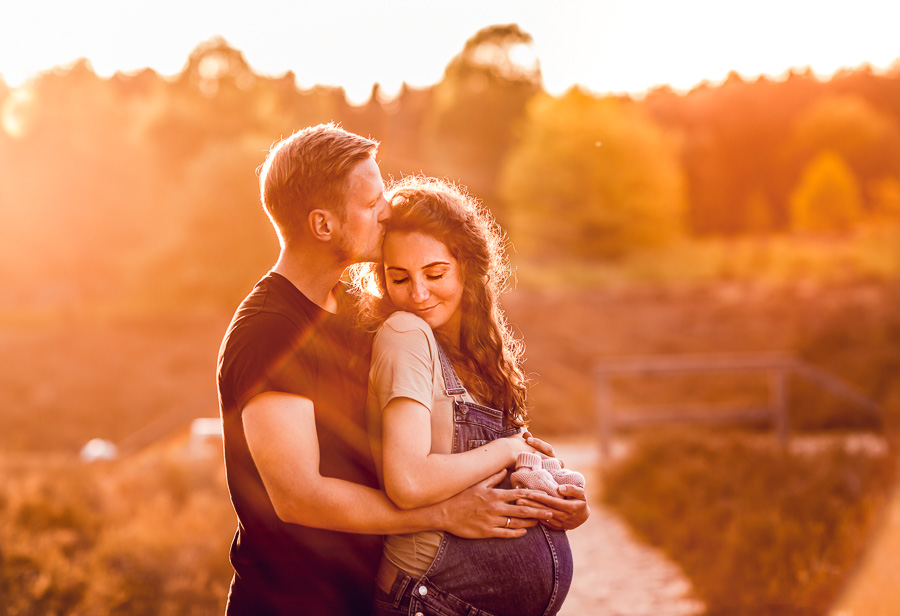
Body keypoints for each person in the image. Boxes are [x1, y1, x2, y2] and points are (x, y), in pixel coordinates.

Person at [216, 124, 580, 616]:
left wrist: (545, 492)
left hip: (359, 596)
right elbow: (299, 497)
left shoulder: (358, 311)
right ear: (323, 225)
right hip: (295, 604)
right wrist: (446, 514)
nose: (387, 211)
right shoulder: (268, 333)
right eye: (371, 203)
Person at [357, 176, 589, 616]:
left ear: (466, 265)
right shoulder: (404, 334)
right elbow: (408, 483)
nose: (418, 294)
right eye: (399, 278)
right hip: (430, 598)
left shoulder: (481, 352)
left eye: (435, 273)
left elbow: (499, 471)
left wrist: (557, 504)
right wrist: (507, 448)